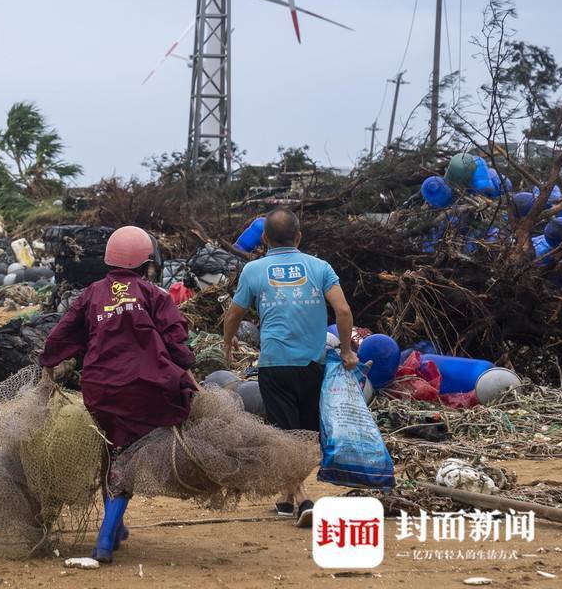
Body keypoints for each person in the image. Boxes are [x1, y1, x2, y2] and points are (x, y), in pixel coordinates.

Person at [39, 225, 198, 563]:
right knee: (126, 460)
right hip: (147, 389)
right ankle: (105, 540)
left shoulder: (91, 294)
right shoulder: (155, 294)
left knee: (113, 454)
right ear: (147, 262)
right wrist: (188, 371)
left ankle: (117, 527)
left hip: (100, 390)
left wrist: (48, 366)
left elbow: (61, 334)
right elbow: (176, 340)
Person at [222, 208, 357, 528]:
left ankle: (301, 499)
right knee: (306, 436)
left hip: (275, 366)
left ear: (264, 239)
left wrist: (228, 343)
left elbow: (233, 315)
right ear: (298, 237)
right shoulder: (320, 267)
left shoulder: (254, 270)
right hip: (313, 365)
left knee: (286, 435)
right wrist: (348, 351)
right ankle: (289, 499)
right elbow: (343, 310)